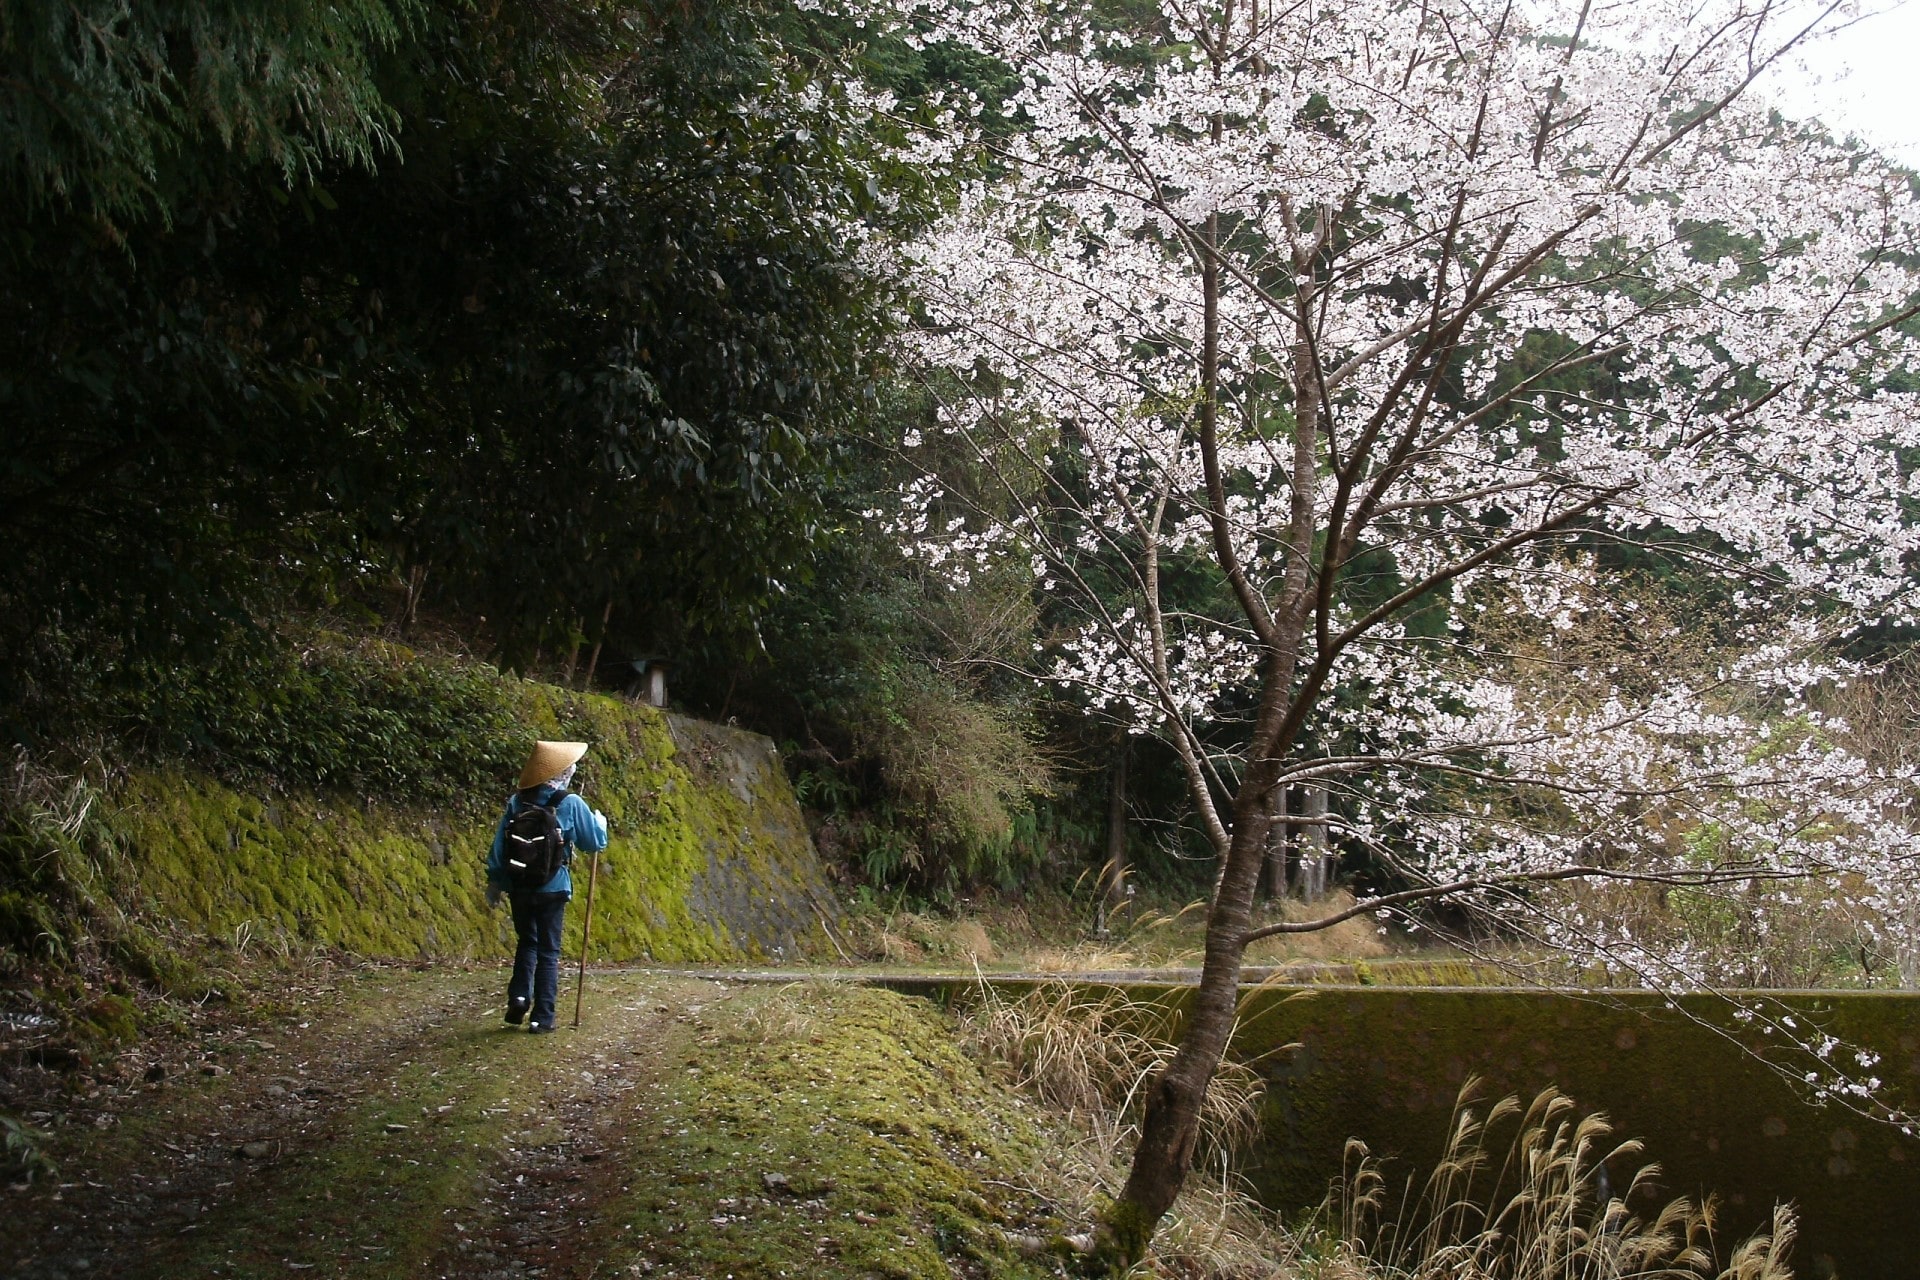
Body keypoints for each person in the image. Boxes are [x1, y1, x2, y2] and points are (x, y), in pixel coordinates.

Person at [484, 739, 609, 1033]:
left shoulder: (517, 802)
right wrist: (599, 824)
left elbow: (500, 848)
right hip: (553, 887)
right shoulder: (570, 803)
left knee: (527, 942)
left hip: (519, 886)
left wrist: (496, 882)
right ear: (563, 773)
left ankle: (518, 997)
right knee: (549, 952)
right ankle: (542, 1017)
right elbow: (594, 843)